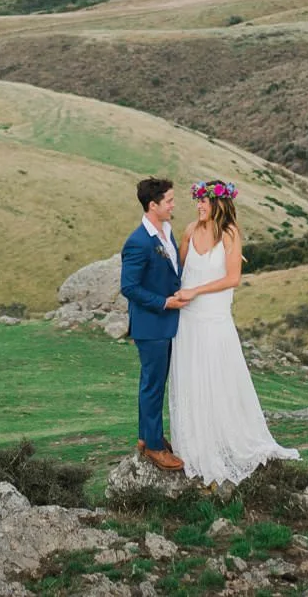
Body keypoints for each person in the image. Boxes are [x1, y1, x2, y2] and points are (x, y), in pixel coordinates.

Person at [169, 179, 299, 485]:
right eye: (197, 200)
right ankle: (194, 446)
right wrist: (178, 295)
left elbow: (232, 278)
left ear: (218, 204)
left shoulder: (229, 234)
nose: (199, 206)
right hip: (188, 320)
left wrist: (196, 291)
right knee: (191, 379)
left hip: (215, 318)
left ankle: (225, 441)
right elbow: (180, 271)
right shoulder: (189, 231)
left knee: (218, 378)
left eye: (203, 201)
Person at [119, 177, 186, 471]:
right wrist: (164, 302)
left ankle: (147, 437)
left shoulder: (166, 232)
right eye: (169, 201)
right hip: (151, 325)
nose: (173, 205)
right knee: (153, 385)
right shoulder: (138, 242)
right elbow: (129, 287)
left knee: (154, 383)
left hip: (165, 323)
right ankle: (155, 448)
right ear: (153, 205)